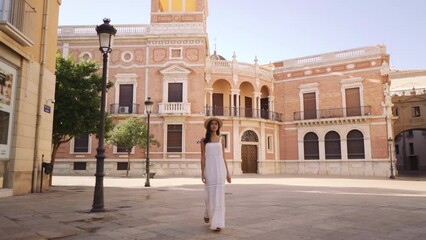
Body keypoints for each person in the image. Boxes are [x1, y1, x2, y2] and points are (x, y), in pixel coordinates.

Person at [200, 117, 231, 232]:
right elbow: (202, 157)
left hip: (220, 170)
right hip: (210, 169)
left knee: (219, 196)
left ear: (218, 127)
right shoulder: (204, 140)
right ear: (209, 126)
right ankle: (207, 212)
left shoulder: (221, 140)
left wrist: (228, 173)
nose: (214, 125)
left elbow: (223, 157)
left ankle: (217, 222)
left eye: (216, 124)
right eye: (212, 124)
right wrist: (202, 172)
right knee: (209, 195)